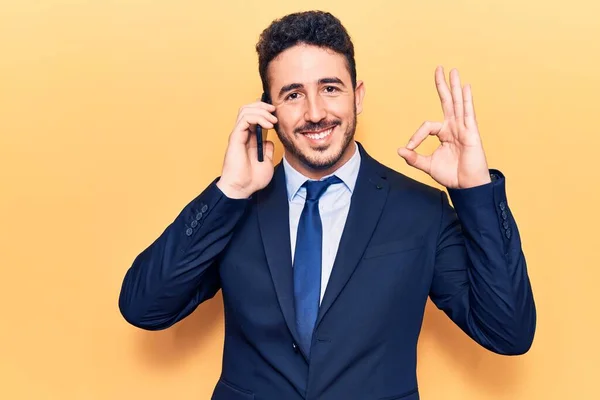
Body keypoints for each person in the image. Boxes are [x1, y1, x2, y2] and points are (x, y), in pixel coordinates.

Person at [118, 10, 536, 400]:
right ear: (269, 110)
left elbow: (508, 332)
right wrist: (228, 190)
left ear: (357, 96)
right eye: (293, 95)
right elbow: (144, 307)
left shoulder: (422, 211)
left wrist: (476, 191)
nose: (315, 113)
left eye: (330, 89)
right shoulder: (237, 206)